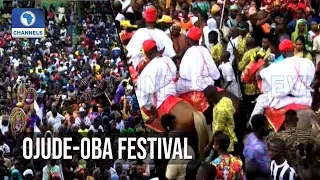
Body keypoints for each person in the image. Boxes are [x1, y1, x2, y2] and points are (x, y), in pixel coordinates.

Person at [250, 56, 315, 121]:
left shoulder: (276, 70)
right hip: (302, 92)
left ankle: (252, 125)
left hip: (292, 95)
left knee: (262, 100)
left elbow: (281, 92)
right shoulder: (283, 65)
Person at [177, 27, 220, 112]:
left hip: (193, 84)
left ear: (189, 39)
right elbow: (213, 69)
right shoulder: (204, 49)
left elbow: (186, 73)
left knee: (173, 89)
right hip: (208, 81)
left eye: (186, 38)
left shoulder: (190, 51)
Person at [203, 85, 237, 152]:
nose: (206, 100)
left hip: (224, 143)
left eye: (207, 98)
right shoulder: (226, 100)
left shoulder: (220, 110)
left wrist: (209, 146)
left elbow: (218, 131)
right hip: (231, 134)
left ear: (212, 97)